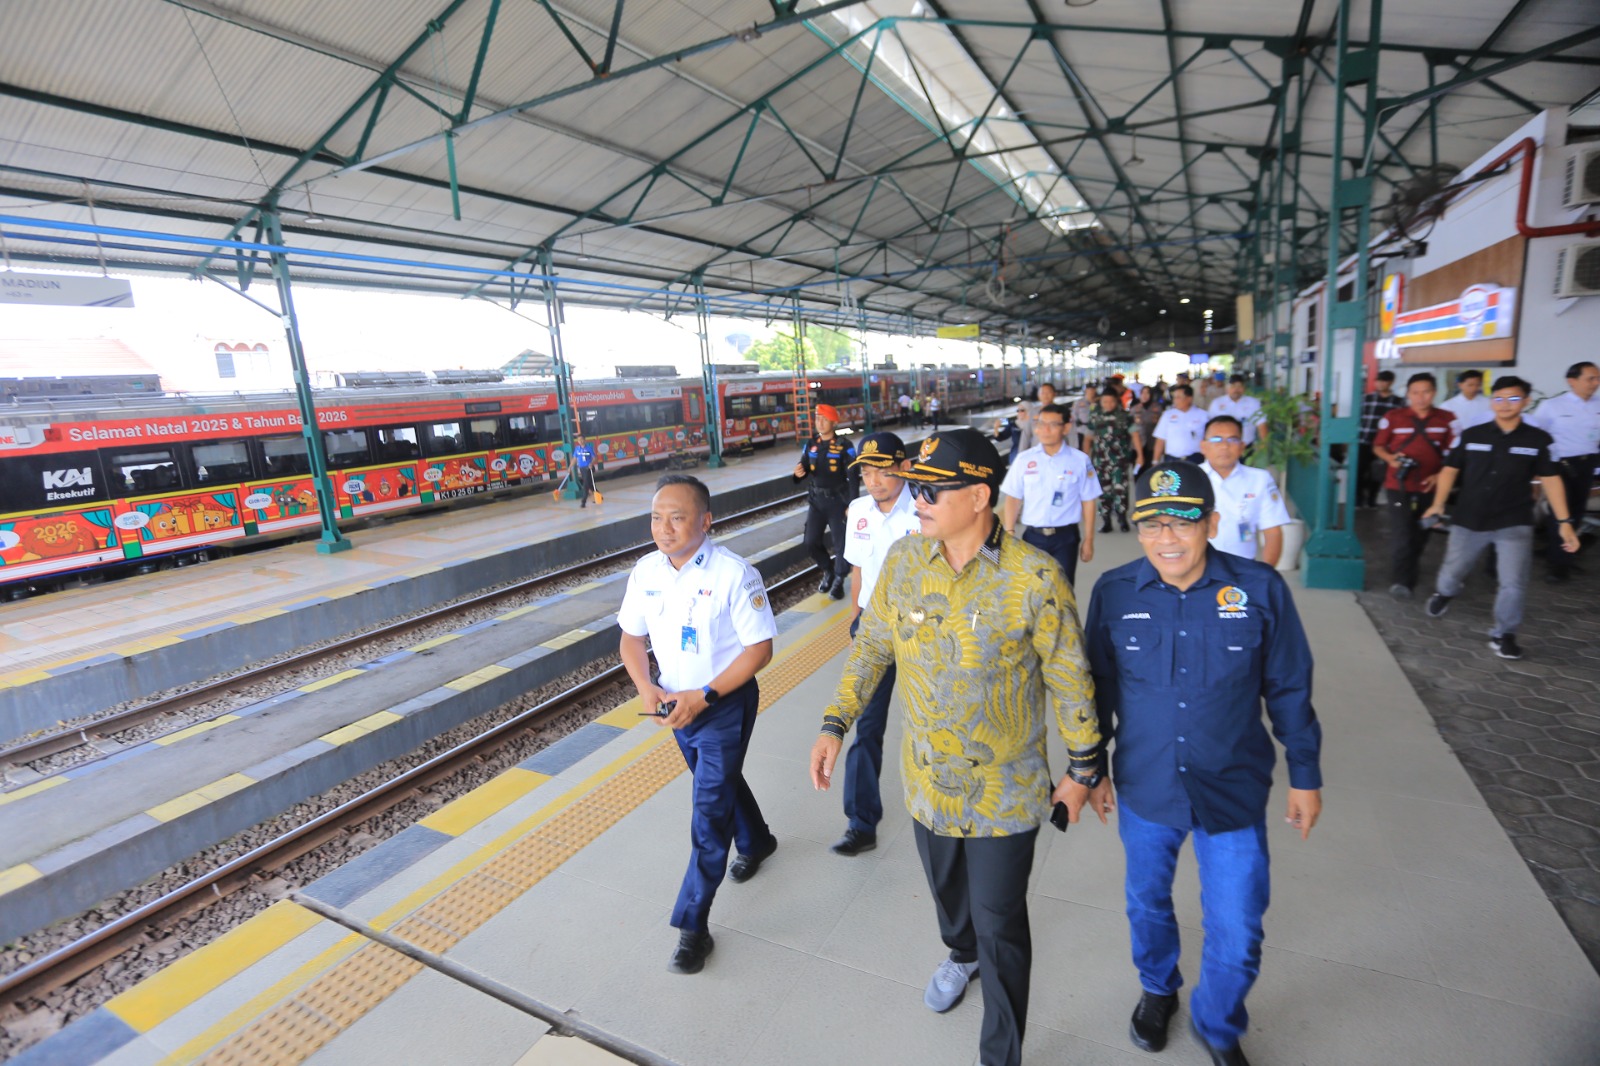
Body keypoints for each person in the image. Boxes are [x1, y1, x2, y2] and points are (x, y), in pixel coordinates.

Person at [809, 427, 1109, 1066]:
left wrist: (1085, 767)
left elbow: (1069, 676)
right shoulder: (904, 562)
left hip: (1005, 791)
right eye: (915, 487)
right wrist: (836, 723)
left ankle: (1000, 1052)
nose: (916, 500)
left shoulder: (1035, 577)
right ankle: (960, 951)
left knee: (1002, 923)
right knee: (951, 903)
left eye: (931, 491)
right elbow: (873, 646)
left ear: (979, 496)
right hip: (927, 782)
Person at [1085, 460, 1323, 1066]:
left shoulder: (1259, 589)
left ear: (1211, 524)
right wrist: (1091, 769)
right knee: (1147, 902)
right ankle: (1157, 988)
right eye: (1151, 524)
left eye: (1182, 523)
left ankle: (1216, 1024)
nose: (1166, 538)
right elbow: (1097, 689)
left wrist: (1305, 775)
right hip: (1148, 785)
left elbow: (1289, 686)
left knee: (1239, 930)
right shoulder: (1115, 591)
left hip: (1232, 787)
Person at [617, 475, 780, 974]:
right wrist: (647, 688)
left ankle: (693, 926)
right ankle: (757, 841)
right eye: (656, 517)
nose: (663, 528)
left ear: (705, 521)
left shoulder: (734, 574)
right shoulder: (646, 571)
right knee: (719, 783)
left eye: (677, 517)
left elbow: (760, 650)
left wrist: (704, 695)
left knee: (708, 811)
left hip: (722, 704)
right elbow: (630, 638)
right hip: (674, 706)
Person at [1422, 377, 1581, 660]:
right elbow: (1449, 470)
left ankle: (1504, 634)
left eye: (1513, 398)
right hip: (1470, 518)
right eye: (1499, 398)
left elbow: (1551, 480)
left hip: (1514, 520)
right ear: (1491, 401)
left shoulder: (1538, 440)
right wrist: (1437, 504)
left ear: (1526, 402)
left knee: (1513, 582)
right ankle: (1445, 593)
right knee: (1453, 571)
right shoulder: (1472, 435)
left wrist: (1565, 522)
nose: (1505, 404)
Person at [830, 431, 922, 857]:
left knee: (929, 717)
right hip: (872, 626)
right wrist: (856, 622)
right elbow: (859, 570)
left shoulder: (924, 508)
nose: (873, 480)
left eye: (882, 470)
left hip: (921, 627)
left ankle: (943, 803)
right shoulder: (859, 511)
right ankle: (860, 822)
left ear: (904, 467)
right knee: (866, 725)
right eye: (866, 472)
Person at [1370, 373, 1455, 599]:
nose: (1420, 397)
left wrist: (1439, 475)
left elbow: (1455, 454)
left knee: (1422, 532)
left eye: (1426, 392)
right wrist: (1390, 459)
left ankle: (1410, 566)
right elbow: (1378, 446)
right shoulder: (1394, 417)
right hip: (1398, 484)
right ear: (1408, 394)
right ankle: (1402, 581)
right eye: (1415, 392)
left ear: (1434, 393)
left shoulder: (1447, 419)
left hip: (1430, 487)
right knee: (1402, 532)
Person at [1000, 403, 1102, 585]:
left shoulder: (1080, 461)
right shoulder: (1024, 460)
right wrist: (1009, 533)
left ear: (1066, 428)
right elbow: (1013, 498)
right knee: (1033, 590)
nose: (1045, 430)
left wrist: (1089, 539)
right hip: (1033, 538)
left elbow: (1088, 500)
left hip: (1066, 538)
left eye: (1053, 424)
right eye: (1041, 424)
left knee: (1064, 589)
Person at [1525, 361, 1599, 583]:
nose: (1595, 383)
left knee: (1576, 511)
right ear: (1572, 381)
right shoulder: (1552, 406)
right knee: (1561, 513)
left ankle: (1560, 550)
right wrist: (1536, 471)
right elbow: (1536, 436)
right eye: (1591, 378)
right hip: (1559, 465)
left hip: (1588, 464)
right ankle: (1558, 565)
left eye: (1598, 378)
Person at [1199, 415, 1293, 567]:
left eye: (1232, 440)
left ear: (1242, 447)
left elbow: (1273, 531)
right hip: (1198, 567)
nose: (1224, 446)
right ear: (1203, 446)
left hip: (1243, 567)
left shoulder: (1260, 479)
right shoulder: (1189, 478)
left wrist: (1264, 574)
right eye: (1216, 439)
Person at [793, 403, 858, 599]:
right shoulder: (811, 444)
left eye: (824, 419)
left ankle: (839, 579)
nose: (819, 423)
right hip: (817, 501)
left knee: (841, 543)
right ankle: (827, 569)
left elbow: (853, 478)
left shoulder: (845, 446)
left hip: (838, 501)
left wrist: (852, 505)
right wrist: (798, 474)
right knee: (810, 541)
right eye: (817, 419)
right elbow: (803, 468)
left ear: (834, 422)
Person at [1083, 387, 1144, 533]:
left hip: (1120, 460)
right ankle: (1106, 521)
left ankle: (1122, 519)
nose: (1108, 404)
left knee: (1121, 489)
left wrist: (1140, 455)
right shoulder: (1095, 416)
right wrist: (1084, 458)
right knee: (1103, 491)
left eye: (1111, 401)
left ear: (1116, 401)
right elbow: (1088, 438)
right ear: (1101, 401)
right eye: (1105, 401)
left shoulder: (1124, 416)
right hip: (1100, 461)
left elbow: (1135, 435)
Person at [1356, 370, 1404, 508]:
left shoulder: (1398, 402)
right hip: (1364, 441)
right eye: (1378, 380)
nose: (1380, 383)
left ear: (1391, 382)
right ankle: (1358, 499)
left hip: (1385, 444)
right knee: (1359, 471)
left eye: (1384, 381)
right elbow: (1358, 418)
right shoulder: (1367, 398)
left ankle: (1372, 499)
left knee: (1378, 473)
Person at [1151, 384, 1208, 464]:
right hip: (1172, 460)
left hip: (1195, 459)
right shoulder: (1167, 415)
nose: (1175, 401)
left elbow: (1208, 440)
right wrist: (1155, 461)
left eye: (1178, 397)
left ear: (1189, 399)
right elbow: (1160, 439)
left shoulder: (1203, 415)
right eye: (1174, 398)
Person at [1207, 375, 1266, 449]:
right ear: (1226, 388)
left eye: (1239, 386)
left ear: (1244, 388)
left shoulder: (1253, 403)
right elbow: (1210, 426)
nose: (1236, 389)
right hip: (1223, 447)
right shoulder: (1217, 403)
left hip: (1246, 447)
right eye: (1233, 386)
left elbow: (1261, 424)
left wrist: (1264, 446)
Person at [1439, 369, 1492, 443]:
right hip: (1457, 443)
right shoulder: (1447, 406)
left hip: (1484, 442)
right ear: (1460, 385)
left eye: (1477, 385)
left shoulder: (1489, 403)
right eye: (1470, 385)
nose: (1474, 388)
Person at [1013, 381, 1056, 455]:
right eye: (1043, 393)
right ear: (1038, 395)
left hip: (1057, 453)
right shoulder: (1033, 412)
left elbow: (1071, 435)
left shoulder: (1062, 412)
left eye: (1048, 392)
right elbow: (1026, 435)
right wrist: (1021, 455)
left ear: (1054, 394)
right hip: (1037, 454)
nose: (1045, 395)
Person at [569, 435, 597, 508]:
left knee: (585, 485)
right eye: (579, 440)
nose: (580, 441)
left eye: (582, 439)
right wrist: (570, 467)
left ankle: (583, 502)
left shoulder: (589, 448)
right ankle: (599, 496)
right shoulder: (577, 449)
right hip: (582, 469)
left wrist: (591, 463)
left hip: (589, 468)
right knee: (589, 485)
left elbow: (594, 458)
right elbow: (574, 459)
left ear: (585, 440)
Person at [1070, 383, 1098, 452]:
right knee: (1081, 449)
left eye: (1093, 390)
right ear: (1086, 390)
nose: (1091, 391)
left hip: (1094, 430)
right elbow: (1073, 414)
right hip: (1081, 429)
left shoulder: (1098, 402)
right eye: (1089, 389)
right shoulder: (1079, 402)